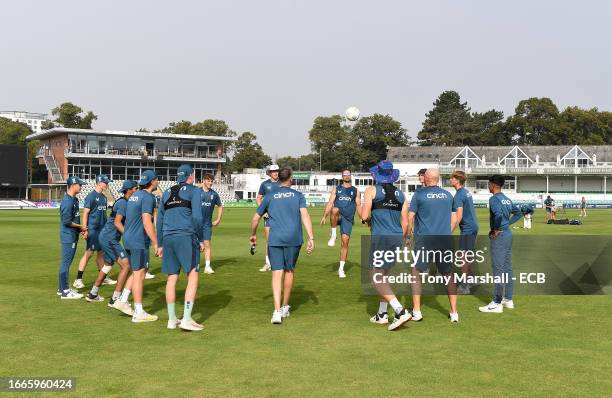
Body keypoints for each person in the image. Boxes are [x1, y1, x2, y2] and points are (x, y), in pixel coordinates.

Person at [250, 167, 315, 324]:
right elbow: (305, 215)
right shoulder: (298, 195)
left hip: (275, 238)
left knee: (276, 273)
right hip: (294, 238)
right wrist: (311, 237)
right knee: (289, 270)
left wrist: (252, 235)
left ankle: (277, 311)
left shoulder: (270, 195)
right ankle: (285, 306)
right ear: (291, 179)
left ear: (278, 179)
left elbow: (255, 218)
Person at [362, 160, 412, 331]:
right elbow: (406, 223)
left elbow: (364, 215)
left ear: (377, 174)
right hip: (397, 237)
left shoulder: (371, 190)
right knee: (385, 274)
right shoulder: (401, 195)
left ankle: (399, 310)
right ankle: (382, 314)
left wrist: (368, 217)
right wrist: (405, 239)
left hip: (381, 237)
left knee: (376, 275)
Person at [157, 164, 206, 331]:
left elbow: (159, 221)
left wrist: (160, 243)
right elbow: (198, 218)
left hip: (168, 237)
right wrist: (200, 239)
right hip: (186, 236)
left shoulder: (166, 193)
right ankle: (186, 318)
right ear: (190, 176)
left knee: (172, 277)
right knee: (192, 275)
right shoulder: (195, 191)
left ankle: (172, 320)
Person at [408, 168, 459, 322]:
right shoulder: (448, 195)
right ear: (438, 179)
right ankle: (454, 312)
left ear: (426, 178)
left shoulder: (419, 194)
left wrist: (409, 236)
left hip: (425, 239)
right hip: (444, 239)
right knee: (448, 275)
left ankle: (416, 311)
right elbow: (455, 218)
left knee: (416, 272)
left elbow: (410, 217)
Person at [85, 180, 138, 316]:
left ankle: (93, 293)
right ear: (129, 190)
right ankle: (115, 299)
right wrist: (129, 236)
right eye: (135, 188)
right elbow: (117, 222)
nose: (137, 190)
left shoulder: (125, 202)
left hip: (108, 237)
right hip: (109, 238)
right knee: (126, 266)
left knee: (107, 265)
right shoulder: (123, 203)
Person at [479, 175, 523, 313]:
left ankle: (497, 303)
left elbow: (497, 215)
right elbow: (518, 213)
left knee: (498, 269)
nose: (488, 187)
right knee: (507, 268)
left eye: (488, 184)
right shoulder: (506, 199)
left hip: (500, 236)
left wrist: (496, 229)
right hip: (508, 234)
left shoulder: (494, 199)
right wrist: (506, 225)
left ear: (492, 184)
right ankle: (508, 299)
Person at [123, 170, 160, 323]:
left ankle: (124, 300)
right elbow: (146, 221)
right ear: (152, 182)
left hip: (128, 239)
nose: (158, 181)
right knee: (139, 274)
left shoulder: (134, 196)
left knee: (137, 272)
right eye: (157, 179)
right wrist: (157, 242)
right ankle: (138, 311)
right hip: (138, 241)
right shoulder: (148, 197)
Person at [73, 175, 116, 289]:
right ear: (99, 183)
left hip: (102, 230)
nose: (107, 184)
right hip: (93, 230)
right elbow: (86, 213)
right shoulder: (91, 197)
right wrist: (85, 229)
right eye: (106, 183)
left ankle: (104, 277)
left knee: (101, 254)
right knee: (89, 254)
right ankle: (78, 279)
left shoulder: (104, 197)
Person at [320, 169, 361, 278]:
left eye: (348, 174)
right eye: (345, 175)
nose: (347, 176)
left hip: (348, 219)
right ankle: (333, 235)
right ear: (342, 177)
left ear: (350, 176)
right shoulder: (336, 189)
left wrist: (363, 218)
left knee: (345, 243)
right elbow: (330, 203)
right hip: (338, 216)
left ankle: (341, 269)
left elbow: (358, 206)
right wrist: (324, 216)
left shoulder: (355, 191)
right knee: (335, 209)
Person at [57, 176, 87, 299]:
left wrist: (80, 228)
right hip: (68, 236)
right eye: (79, 185)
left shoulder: (74, 200)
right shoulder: (68, 201)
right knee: (66, 263)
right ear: (73, 185)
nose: (81, 187)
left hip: (72, 235)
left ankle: (61, 288)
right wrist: (82, 226)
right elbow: (66, 221)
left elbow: (74, 218)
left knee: (66, 262)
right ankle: (65, 291)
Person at [450, 170, 479, 295]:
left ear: (457, 180)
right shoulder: (466, 192)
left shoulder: (458, 195)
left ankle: (464, 286)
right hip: (473, 226)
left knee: (463, 258)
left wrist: (449, 231)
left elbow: (459, 216)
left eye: (452, 178)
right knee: (468, 256)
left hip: (467, 228)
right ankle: (473, 280)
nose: (450, 180)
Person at [256, 164, 280, 272]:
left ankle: (279, 262)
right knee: (269, 240)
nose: (275, 173)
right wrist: (263, 211)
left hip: (281, 216)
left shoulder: (282, 183)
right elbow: (259, 198)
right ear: (270, 173)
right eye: (273, 171)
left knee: (281, 239)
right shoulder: (264, 184)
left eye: (277, 171)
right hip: (269, 217)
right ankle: (268, 263)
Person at [200, 173, 224, 274]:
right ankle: (192, 265)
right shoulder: (196, 192)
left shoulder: (214, 194)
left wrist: (218, 219)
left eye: (211, 181)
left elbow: (220, 206)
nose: (210, 183)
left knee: (207, 244)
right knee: (194, 245)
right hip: (195, 224)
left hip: (207, 224)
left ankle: (207, 266)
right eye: (208, 181)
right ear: (204, 181)